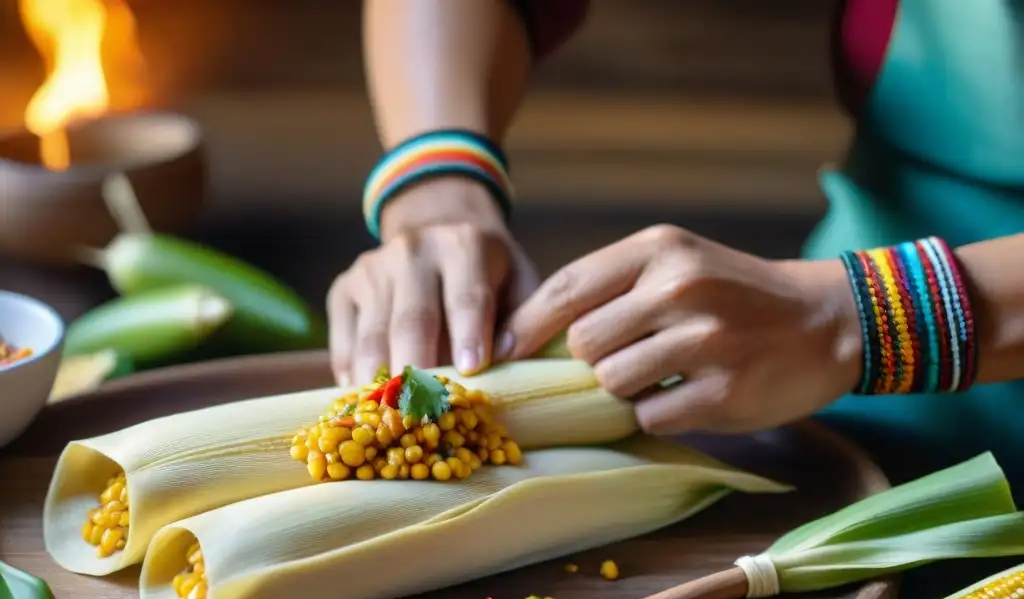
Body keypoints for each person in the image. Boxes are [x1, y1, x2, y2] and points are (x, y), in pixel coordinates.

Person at [327, 0, 1024, 482]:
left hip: (854, 323)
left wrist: (879, 316)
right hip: (850, 321)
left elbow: (870, 319)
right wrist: (438, 184)